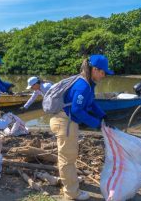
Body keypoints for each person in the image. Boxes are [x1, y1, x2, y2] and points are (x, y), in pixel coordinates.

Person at [49, 54, 114, 200]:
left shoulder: (88, 84)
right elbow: (77, 110)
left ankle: (70, 182)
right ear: (95, 69)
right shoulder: (83, 85)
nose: (104, 76)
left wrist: (102, 115)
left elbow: (90, 104)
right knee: (67, 158)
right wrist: (96, 124)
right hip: (64, 121)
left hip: (67, 120)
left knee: (69, 156)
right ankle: (72, 193)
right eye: (103, 72)